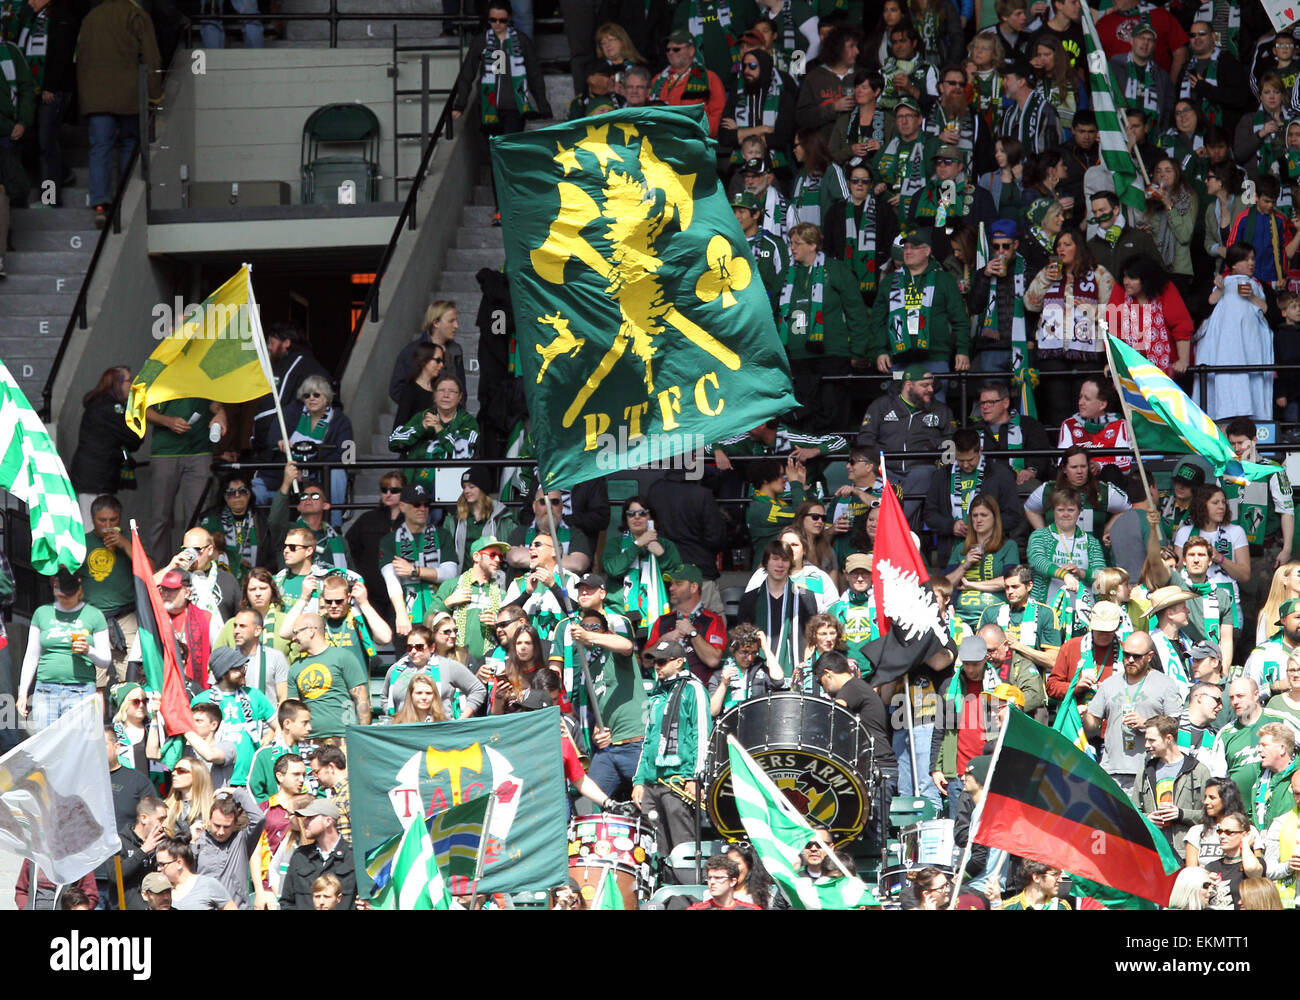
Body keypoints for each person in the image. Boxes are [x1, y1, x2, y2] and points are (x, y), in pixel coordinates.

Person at [451, 0, 550, 222]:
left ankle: (509, 207)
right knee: (498, 160)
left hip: (515, 108)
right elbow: (467, 74)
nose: (497, 24)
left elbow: (534, 73)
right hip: (489, 110)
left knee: (507, 156)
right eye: (493, 20)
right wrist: (460, 103)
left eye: (502, 20)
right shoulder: (482, 42)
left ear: (510, 19)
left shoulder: (520, 41)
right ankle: (502, 208)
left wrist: (542, 104)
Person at [75, 0, 161, 229]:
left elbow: (80, 57)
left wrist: (84, 95)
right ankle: (125, 197)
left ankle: (100, 205)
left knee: (100, 147)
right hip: (129, 95)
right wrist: (155, 95)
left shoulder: (90, 18)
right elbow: (152, 58)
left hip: (96, 96)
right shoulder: (136, 15)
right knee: (128, 143)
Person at [779, 222, 870, 432]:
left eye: (797, 243)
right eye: (791, 243)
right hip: (796, 358)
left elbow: (856, 313)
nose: (792, 248)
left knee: (830, 414)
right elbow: (775, 311)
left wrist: (858, 351)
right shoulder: (786, 274)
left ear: (812, 245)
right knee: (798, 417)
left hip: (830, 356)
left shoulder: (836, 270)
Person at [632, 639, 710, 881]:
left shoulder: (693, 689)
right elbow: (648, 740)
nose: (657, 666)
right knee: (655, 849)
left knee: (683, 847)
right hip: (653, 783)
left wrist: (695, 777)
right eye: (655, 661)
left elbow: (702, 734)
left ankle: (689, 899)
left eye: (663, 661)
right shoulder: (655, 694)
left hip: (678, 782)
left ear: (679, 661)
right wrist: (639, 780)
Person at [1081, 631, 1184, 792]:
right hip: (1111, 770)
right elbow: (1091, 726)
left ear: (1149, 656)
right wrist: (1083, 714)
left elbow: (1176, 725)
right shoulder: (1110, 684)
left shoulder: (1165, 684)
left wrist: (1147, 724)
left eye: (1136, 656)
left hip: (1150, 770)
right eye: (1126, 654)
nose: (1130, 660)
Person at [856, 365, 957, 523]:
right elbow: (865, 439)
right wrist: (878, 463)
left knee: (925, 473)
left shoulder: (941, 410)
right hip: (886, 470)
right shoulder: (881, 406)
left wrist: (933, 448)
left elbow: (951, 443)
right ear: (908, 385)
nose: (931, 389)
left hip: (921, 470)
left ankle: (894, 523)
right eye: (925, 385)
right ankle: (898, 526)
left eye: (932, 384)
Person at [868, 228, 972, 378]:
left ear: (927, 251)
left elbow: (960, 319)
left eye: (914, 248)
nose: (908, 252)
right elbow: (877, 320)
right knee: (899, 401)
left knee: (935, 400)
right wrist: (881, 350)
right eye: (906, 248)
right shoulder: (889, 281)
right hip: (898, 359)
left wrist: (962, 350)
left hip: (935, 358)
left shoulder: (944, 280)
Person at [18, 569, 110, 730]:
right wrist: (23, 692)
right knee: (44, 745)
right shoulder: (42, 613)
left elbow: (105, 660)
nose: (65, 600)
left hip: (81, 689)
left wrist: (89, 650)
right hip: (46, 689)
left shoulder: (94, 615)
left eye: (69, 595)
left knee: (77, 745)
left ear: (79, 590)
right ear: (54, 591)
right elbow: (32, 656)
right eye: (61, 596)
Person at [817, 650, 897, 835]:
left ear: (828, 674)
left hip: (878, 768)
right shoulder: (858, 687)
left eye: (820, 680)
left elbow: (834, 716)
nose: (822, 687)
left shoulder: (851, 688)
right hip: (875, 767)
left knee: (874, 834)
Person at [1199, 245, 1276, 422]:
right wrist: (1219, 288)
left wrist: (1252, 297)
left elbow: (1270, 312)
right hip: (1225, 345)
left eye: (1253, 259)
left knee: (1250, 377)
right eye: (1245, 259)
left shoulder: (1258, 285)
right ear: (1233, 264)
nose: (1251, 263)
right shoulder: (1221, 282)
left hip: (1251, 343)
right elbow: (1206, 306)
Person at [924, 430, 1022, 568]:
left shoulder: (1000, 474)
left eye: (970, 460)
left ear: (980, 451)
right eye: (961, 460)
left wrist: (985, 526)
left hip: (992, 552)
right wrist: (951, 526)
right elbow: (929, 514)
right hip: (951, 551)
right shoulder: (941, 476)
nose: (965, 465)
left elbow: (1014, 515)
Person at [189, 646, 277, 787]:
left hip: (250, 781)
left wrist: (269, 737)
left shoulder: (254, 695)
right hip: (213, 781)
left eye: (243, 667)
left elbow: (280, 727)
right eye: (237, 669)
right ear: (223, 673)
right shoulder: (201, 700)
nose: (243, 671)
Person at [69, 368, 143, 524]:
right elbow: (134, 438)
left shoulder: (99, 404)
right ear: (118, 383)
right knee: (94, 524)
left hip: (93, 476)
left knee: (97, 522)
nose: (132, 384)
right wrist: (138, 414)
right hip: (95, 478)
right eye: (129, 380)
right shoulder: (109, 408)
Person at [737, 540, 819, 678]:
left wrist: (804, 667)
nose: (780, 564)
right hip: (759, 673)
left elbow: (812, 637)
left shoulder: (805, 597)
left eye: (785, 560)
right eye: (775, 559)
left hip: (796, 673)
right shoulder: (750, 599)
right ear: (765, 562)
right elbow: (742, 639)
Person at [1131, 714, 1211, 855]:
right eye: (1146, 740)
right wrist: (1147, 818)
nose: (1146, 745)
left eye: (1152, 740)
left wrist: (1181, 814)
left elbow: (1211, 816)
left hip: (1187, 852)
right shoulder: (1145, 772)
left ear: (1169, 739)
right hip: (1154, 851)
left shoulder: (1198, 771)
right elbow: (1133, 814)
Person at [286, 614, 370, 741]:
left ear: (310, 631)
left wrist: (363, 737)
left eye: (296, 632)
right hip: (309, 741)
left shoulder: (343, 657)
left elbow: (361, 699)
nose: (293, 638)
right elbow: (293, 709)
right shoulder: (295, 668)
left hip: (343, 738)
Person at [1107, 254, 1193, 378]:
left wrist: (1183, 361)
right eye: (1125, 276)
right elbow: (1113, 329)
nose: (1126, 282)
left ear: (1146, 279)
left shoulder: (1166, 289)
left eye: (1132, 278)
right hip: (1130, 369)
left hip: (1168, 370)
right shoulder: (1120, 290)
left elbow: (1181, 326)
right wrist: (1113, 362)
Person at [1213, 677, 1296, 802]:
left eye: (1240, 696)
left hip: (1281, 808)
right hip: (1240, 813)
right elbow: (1217, 779)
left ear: (1256, 695)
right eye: (1231, 697)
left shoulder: (1280, 720)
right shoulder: (1225, 734)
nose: (1235, 702)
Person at [646, 565, 727, 686]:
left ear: (694, 587)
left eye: (678, 584)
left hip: (699, 693)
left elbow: (713, 660)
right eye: (671, 584)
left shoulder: (713, 620)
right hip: (665, 692)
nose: (671, 588)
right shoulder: (662, 620)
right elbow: (646, 662)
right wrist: (663, 640)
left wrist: (692, 633)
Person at [192, 784, 266, 910]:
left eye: (226, 827)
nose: (221, 832)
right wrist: (192, 842)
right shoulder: (199, 840)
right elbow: (186, 873)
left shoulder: (242, 841)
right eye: (217, 825)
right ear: (209, 820)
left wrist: (238, 793)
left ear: (235, 824)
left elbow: (259, 818)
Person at [270, 467, 355, 573]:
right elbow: (275, 521)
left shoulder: (339, 541)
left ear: (326, 505)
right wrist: (286, 484)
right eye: (303, 497)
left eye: (315, 496)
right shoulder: (288, 532)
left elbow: (351, 576)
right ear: (299, 507)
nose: (308, 498)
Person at [279, 799, 357, 910]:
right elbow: (287, 902)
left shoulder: (353, 857)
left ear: (328, 821)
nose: (305, 822)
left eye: (310, 818)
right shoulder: (300, 856)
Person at [649, 30, 726, 137]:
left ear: (691, 50)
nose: (671, 52)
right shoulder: (657, 80)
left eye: (676, 49)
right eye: (668, 49)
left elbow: (718, 114)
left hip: (697, 143)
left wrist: (699, 134)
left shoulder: (709, 78)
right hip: (662, 142)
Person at [246, 699, 313, 802]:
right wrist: (275, 811)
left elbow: (322, 790)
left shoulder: (312, 755)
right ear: (287, 724)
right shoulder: (264, 755)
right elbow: (255, 791)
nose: (309, 728)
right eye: (304, 723)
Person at [998, 56, 1060, 155]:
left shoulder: (1046, 112)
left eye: (1006, 78)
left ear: (1021, 82)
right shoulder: (1008, 113)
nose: (1003, 83)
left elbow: (1052, 157)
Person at [155, 837, 236, 910]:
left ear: (179, 863)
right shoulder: (158, 891)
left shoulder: (208, 885)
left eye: (162, 865)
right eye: (158, 865)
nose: (159, 869)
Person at [1204, 811, 1264, 909]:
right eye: (1220, 831)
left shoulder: (1258, 862)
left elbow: (1252, 870)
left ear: (1245, 834)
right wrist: (1205, 883)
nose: (1222, 836)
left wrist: (1245, 843)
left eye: (1228, 832)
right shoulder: (1211, 866)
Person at [1185, 777, 1246, 867]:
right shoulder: (1195, 832)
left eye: (1212, 798)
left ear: (1227, 800)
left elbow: (1256, 871)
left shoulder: (1245, 830)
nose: (1206, 802)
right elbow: (1192, 872)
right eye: (1205, 797)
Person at [688, 855, 763, 910]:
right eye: (710, 878)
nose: (712, 882)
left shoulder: (751, 909)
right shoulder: (696, 909)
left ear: (733, 882)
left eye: (718, 878)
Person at [989, 860, 1071, 909]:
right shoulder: (1009, 907)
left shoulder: (1061, 907)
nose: (1060, 880)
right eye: (1055, 875)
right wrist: (995, 901)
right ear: (1036, 878)